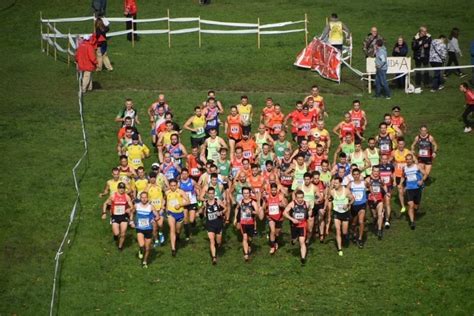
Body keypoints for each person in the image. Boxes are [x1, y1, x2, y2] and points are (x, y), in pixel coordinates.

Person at [102, 182, 134, 250]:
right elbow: (105, 203)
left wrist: (129, 208)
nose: (121, 190)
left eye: (123, 188)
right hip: (115, 216)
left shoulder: (126, 196)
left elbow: (132, 206)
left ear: (125, 189)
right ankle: (115, 236)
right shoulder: (113, 196)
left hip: (123, 216)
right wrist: (104, 213)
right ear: (118, 188)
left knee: (123, 234)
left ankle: (120, 246)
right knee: (116, 233)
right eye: (120, 188)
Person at [399, 154, 426, 230]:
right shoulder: (404, 168)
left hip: (417, 188)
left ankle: (415, 212)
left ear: (412, 160)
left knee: (416, 206)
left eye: (410, 159)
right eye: (407, 159)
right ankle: (412, 222)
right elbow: (403, 176)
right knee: (411, 205)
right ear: (406, 160)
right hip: (409, 189)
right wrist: (400, 184)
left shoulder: (417, 166)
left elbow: (425, 174)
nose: (408, 160)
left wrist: (422, 180)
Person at [283, 190, 311, 264]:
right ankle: (293, 240)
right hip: (294, 225)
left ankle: (303, 258)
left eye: (301, 197)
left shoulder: (307, 204)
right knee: (295, 239)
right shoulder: (292, 204)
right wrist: (292, 219)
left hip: (303, 225)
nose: (300, 199)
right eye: (298, 198)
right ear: (295, 197)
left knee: (302, 241)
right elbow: (284, 213)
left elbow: (310, 210)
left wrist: (309, 214)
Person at [234, 187, 260, 262]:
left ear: (249, 194)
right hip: (243, 222)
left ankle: (249, 244)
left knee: (250, 238)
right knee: (245, 237)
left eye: (247, 193)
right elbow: (237, 208)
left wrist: (251, 211)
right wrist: (235, 218)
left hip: (251, 223)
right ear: (242, 194)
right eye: (244, 193)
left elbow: (257, 212)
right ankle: (246, 254)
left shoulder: (253, 202)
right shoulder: (240, 202)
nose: (246, 195)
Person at [329, 177, 354, 256]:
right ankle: (339, 249)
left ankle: (346, 236)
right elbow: (329, 198)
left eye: (336, 183)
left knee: (344, 231)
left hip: (345, 213)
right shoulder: (332, 192)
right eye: (334, 183)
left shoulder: (346, 191)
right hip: (336, 212)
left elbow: (353, 199)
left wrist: (348, 204)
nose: (334, 184)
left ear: (340, 183)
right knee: (338, 230)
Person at [165, 179, 190, 256]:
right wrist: (165, 208)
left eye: (174, 185)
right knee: (172, 229)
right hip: (171, 213)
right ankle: (173, 249)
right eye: (171, 186)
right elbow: (166, 201)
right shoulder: (167, 192)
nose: (173, 187)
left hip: (180, 213)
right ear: (169, 185)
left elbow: (188, 201)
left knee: (178, 230)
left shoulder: (181, 192)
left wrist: (180, 205)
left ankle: (178, 236)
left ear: (177, 185)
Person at [134, 192, 159, 268]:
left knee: (147, 248)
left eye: (145, 197)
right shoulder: (136, 206)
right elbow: (131, 212)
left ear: (148, 198)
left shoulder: (151, 207)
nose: (144, 199)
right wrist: (131, 221)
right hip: (140, 228)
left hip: (148, 229)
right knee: (142, 245)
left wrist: (154, 219)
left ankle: (145, 261)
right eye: (142, 197)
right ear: (140, 198)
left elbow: (157, 216)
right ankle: (141, 250)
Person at [203, 187, 225, 264]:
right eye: (210, 193)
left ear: (214, 194)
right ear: (207, 194)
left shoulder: (218, 201)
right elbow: (205, 213)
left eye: (213, 193)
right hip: (210, 225)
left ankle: (217, 246)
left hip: (218, 224)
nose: (211, 195)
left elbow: (226, 208)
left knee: (218, 241)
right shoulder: (205, 203)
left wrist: (221, 212)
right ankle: (214, 258)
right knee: (212, 241)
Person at [264, 183, 287, 254]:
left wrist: (281, 205)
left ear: (277, 190)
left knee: (277, 233)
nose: (273, 191)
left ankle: (276, 241)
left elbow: (285, 205)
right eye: (272, 190)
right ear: (270, 190)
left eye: (275, 190)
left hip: (279, 217)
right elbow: (264, 206)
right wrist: (266, 209)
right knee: (272, 231)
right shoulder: (267, 197)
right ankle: (272, 247)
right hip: (270, 217)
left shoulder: (280, 196)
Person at [348, 168, 367, 248]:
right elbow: (346, 192)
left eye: (357, 174)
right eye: (354, 175)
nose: (356, 176)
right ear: (352, 175)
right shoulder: (350, 184)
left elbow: (370, 187)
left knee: (361, 221)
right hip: (354, 206)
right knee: (353, 223)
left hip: (362, 205)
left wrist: (371, 193)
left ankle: (360, 239)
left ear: (360, 175)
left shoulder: (364, 183)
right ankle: (354, 233)